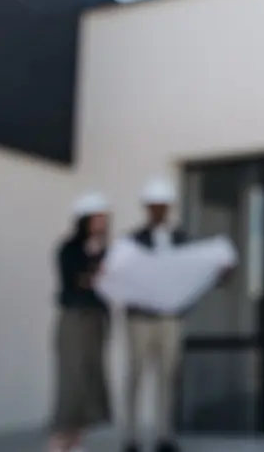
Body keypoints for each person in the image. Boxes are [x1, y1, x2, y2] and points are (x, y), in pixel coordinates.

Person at [123, 178, 188, 452]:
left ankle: (165, 436)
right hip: (140, 318)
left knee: (168, 376)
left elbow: (192, 273)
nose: (158, 211)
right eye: (154, 206)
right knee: (136, 374)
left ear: (169, 208)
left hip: (170, 318)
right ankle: (131, 437)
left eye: (163, 206)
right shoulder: (133, 240)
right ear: (146, 208)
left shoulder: (181, 239)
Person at [50, 192, 112, 452]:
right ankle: (59, 442)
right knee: (72, 380)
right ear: (85, 219)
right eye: (98, 217)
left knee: (89, 380)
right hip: (76, 319)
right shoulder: (69, 248)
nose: (103, 222)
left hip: (96, 320)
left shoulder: (105, 249)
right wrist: (97, 270)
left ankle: (76, 442)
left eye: (104, 218)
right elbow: (77, 281)